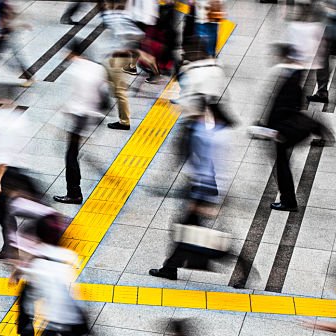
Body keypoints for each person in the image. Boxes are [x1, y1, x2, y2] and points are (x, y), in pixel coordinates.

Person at [1, 200, 88, 336]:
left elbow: (31, 292)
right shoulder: (68, 256)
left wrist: (18, 271)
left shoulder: (41, 265)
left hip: (58, 321)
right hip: (73, 317)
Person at [149, 99, 239, 281]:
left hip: (206, 189)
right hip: (206, 188)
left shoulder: (216, 137)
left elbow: (211, 167)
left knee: (190, 231)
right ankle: (170, 267)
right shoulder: (219, 133)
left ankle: (241, 266)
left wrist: (199, 197)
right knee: (186, 229)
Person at [263, 43, 334, 212]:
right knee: (282, 163)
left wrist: (273, 128)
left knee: (282, 165)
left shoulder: (291, 78)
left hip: (283, 130)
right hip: (283, 128)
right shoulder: (292, 75)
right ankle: (287, 198)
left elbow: (286, 108)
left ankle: (288, 201)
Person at [0, 86, 36, 258]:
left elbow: (4, 154)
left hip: (6, 173)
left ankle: (12, 249)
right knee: (8, 212)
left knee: (4, 213)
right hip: (19, 169)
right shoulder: (20, 119)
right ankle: (11, 247)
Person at [54, 39, 108, 205]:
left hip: (80, 117)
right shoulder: (98, 68)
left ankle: (74, 193)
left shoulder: (75, 70)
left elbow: (78, 98)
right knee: (73, 153)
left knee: (71, 155)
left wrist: (64, 109)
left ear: (71, 53)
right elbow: (103, 94)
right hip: (93, 115)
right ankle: (74, 190)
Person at [99, 0, 142, 131]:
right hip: (111, 58)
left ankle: (124, 121)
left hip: (118, 60)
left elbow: (139, 35)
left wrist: (124, 48)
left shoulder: (120, 18)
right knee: (103, 83)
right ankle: (100, 107)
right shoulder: (118, 16)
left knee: (120, 92)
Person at [307, 0, 336, 105]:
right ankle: (322, 91)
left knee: (322, 63)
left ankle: (322, 93)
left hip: (327, 34)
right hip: (327, 32)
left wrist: (326, 9)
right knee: (322, 63)